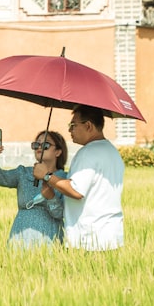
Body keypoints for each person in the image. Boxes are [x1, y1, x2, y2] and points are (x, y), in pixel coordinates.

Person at [32, 105, 125, 251]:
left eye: (73, 125)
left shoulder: (88, 152)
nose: (69, 130)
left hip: (90, 238)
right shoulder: (112, 152)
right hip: (111, 234)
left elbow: (76, 190)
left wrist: (47, 176)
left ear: (88, 126)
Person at [0, 130, 68, 248]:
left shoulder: (64, 180)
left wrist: (51, 197)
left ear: (58, 152)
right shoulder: (23, 173)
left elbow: (61, 214)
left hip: (49, 237)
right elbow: (1, 177)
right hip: (20, 236)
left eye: (45, 145)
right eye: (36, 144)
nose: (39, 148)